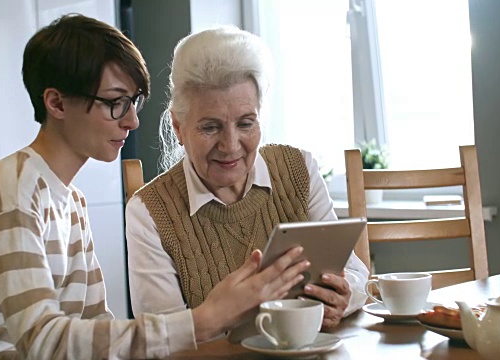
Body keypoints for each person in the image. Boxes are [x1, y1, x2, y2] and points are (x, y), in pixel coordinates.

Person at [0, 15, 310, 359]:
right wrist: (203, 320)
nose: (132, 122)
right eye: (114, 103)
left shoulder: (69, 199)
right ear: (56, 103)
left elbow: (94, 330)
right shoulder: (11, 190)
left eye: (134, 103)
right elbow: (43, 343)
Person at [125, 26, 370, 334]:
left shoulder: (299, 170)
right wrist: (225, 313)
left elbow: (355, 273)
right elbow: (163, 339)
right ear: (177, 126)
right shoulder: (149, 212)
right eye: (211, 127)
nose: (230, 145)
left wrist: (343, 298)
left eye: (245, 123)